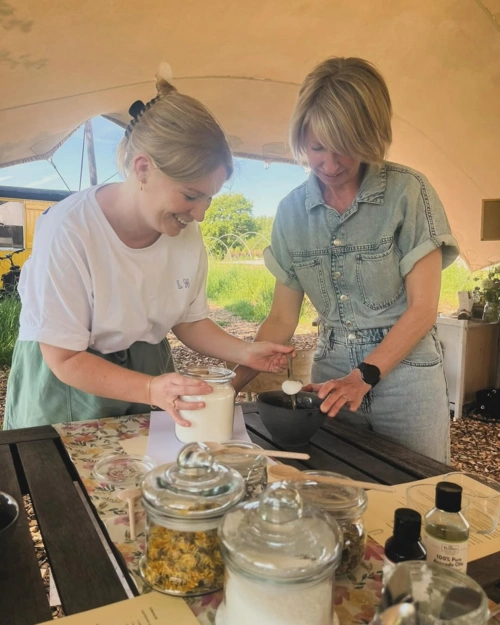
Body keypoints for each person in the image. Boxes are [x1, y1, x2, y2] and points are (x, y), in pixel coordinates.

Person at [4, 76, 293, 430]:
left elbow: (188, 321)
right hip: (67, 382)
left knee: (152, 462)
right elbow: (63, 357)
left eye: (208, 198)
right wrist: (150, 388)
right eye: (191, 195)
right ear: (143, 169)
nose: (200, 214)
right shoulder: (69, 230)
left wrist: (246, 352)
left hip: (147, 372)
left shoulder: (185, 232)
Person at [233, 57, 459, 463]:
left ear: (371, 137)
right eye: (317, 148)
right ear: (301, 136)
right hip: (332, 375)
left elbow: (423, 308)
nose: (331, 165)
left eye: (346, 148)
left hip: (408, 377)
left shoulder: (408, 192)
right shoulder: (290, 213)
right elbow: (281, 319)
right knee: (336, 484)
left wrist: (364, 376)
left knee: (418, 488)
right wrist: (228, 385)